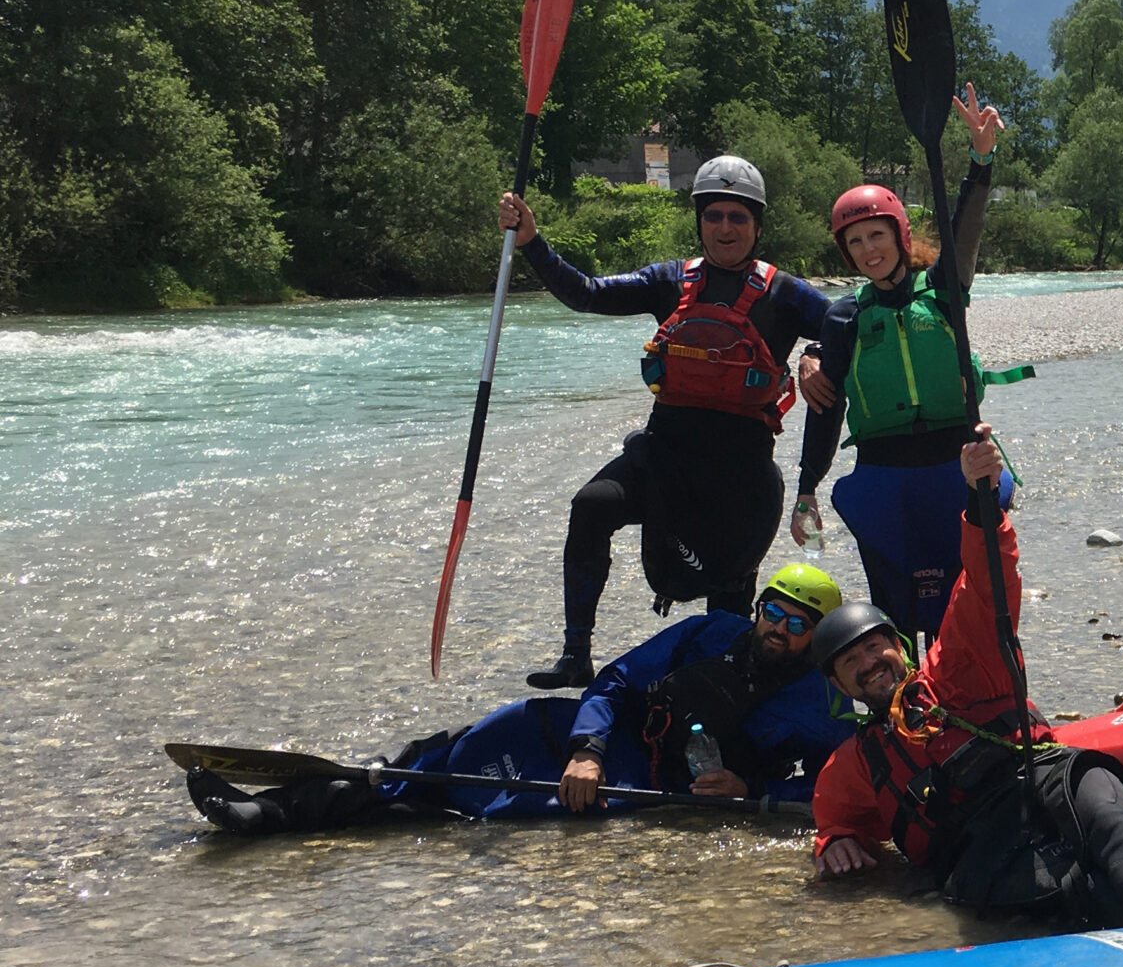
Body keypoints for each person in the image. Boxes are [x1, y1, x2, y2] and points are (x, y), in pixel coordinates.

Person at [810, 426, 1123, 925]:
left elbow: (987, 579)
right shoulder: (853, 763)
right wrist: (835, 842)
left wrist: (982, 503)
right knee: (1059, 897)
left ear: (899, 648)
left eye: (875, 648)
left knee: (1108, 816)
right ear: (838, 686)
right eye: (851, 663)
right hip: (981, 842)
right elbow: (836, 821)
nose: (869, 663)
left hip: (1045, 777)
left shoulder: (955, 664)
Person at [185, 565, 854, 832]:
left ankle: (293, 817)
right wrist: (586, 750)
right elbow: (617, 682)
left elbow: (835, 783)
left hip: (650, 782)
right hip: (600, 743)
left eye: (799, 624)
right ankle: (280, 809)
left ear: (816, 638)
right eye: (774, 610)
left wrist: (747, 788)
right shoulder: (712, 631)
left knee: (478, 809)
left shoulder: (819, 705)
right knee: (458, 753)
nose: (778, 629)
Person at [500, 158, 834, 691]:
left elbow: (849, 327)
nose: (725, 228)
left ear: (758, 226)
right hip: (665, 454)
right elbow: (586, 293)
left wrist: (816, 352)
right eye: (714, 216)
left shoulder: (785, 293)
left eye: (739, 218)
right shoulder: (669, 280)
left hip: (741, 473)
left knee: (727, 594)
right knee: (591, 506)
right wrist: (533, 243)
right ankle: (576, 653)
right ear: (700, 221)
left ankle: (725, 692)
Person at [791, 89, 1023, 640]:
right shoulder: (844, 318)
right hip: (883, 476)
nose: (870, 250)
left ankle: (992, 694)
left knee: (975, 603)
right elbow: (826, 409)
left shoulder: (943, 289)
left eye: (877, 235)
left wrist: (982, 160)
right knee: (896, 611)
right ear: (846, 254)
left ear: (899, 235)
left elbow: (965, 227)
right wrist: (807, 487)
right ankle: (906, 706)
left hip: (955, 464)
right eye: (856, 242)